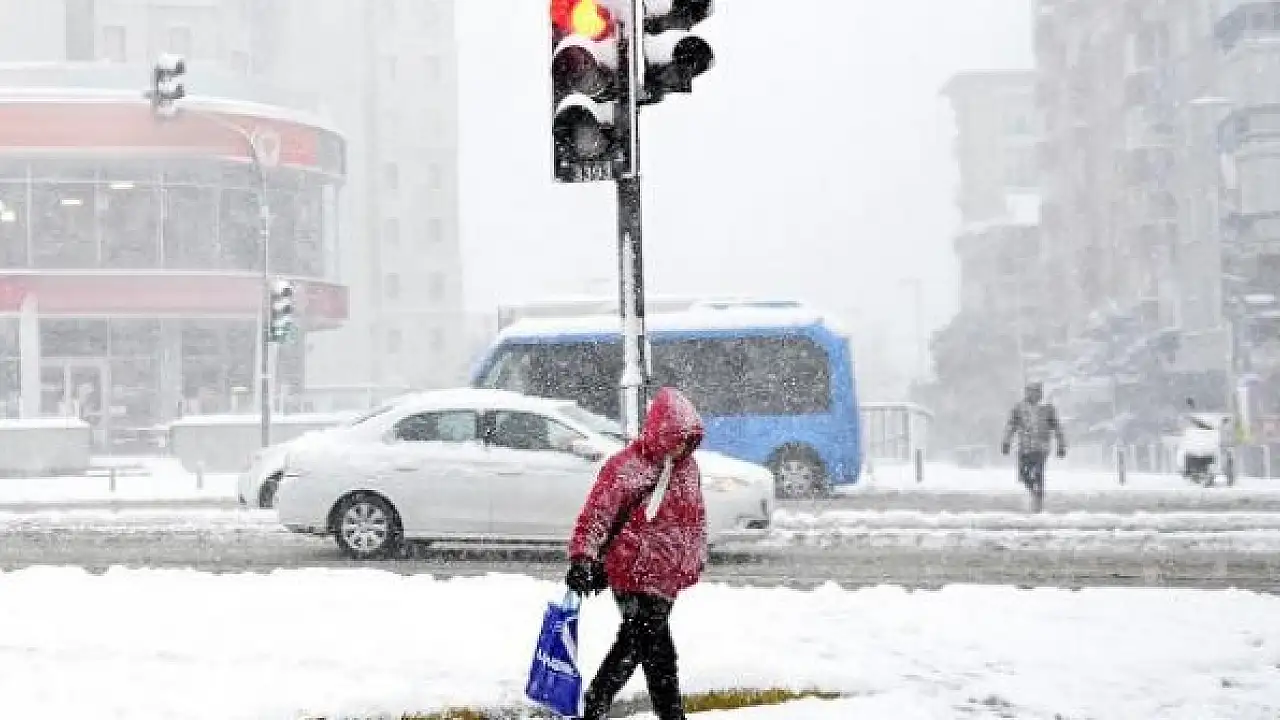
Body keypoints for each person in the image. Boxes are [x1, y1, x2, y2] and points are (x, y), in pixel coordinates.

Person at [564, 386, 707, 720]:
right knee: (642, 643)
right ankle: (602, 703)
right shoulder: (625, 467)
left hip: (666, 576)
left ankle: (601, 703)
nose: (681, 447)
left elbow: (695, 519)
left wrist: (694, 559)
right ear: (660, 432)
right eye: (676, 438)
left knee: (650, 648)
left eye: (687, 440)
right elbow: (597, 515)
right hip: (629, 571)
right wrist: (583, 556)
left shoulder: (689, 469)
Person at [1000, 381, 1066, 512]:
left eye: (1036, 391)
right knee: (1023, 474)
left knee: (1038, 472)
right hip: (1024, 448)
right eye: (1030, 391)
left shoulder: (1047, 409)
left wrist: (1061, 445)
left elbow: (1057, 427)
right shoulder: (1019, 408)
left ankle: (1039, 497)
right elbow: (1011, 426)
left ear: (1040, 393)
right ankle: (1033, 491)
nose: (1033, 394)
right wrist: (1006, 442)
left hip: (1041, 448)